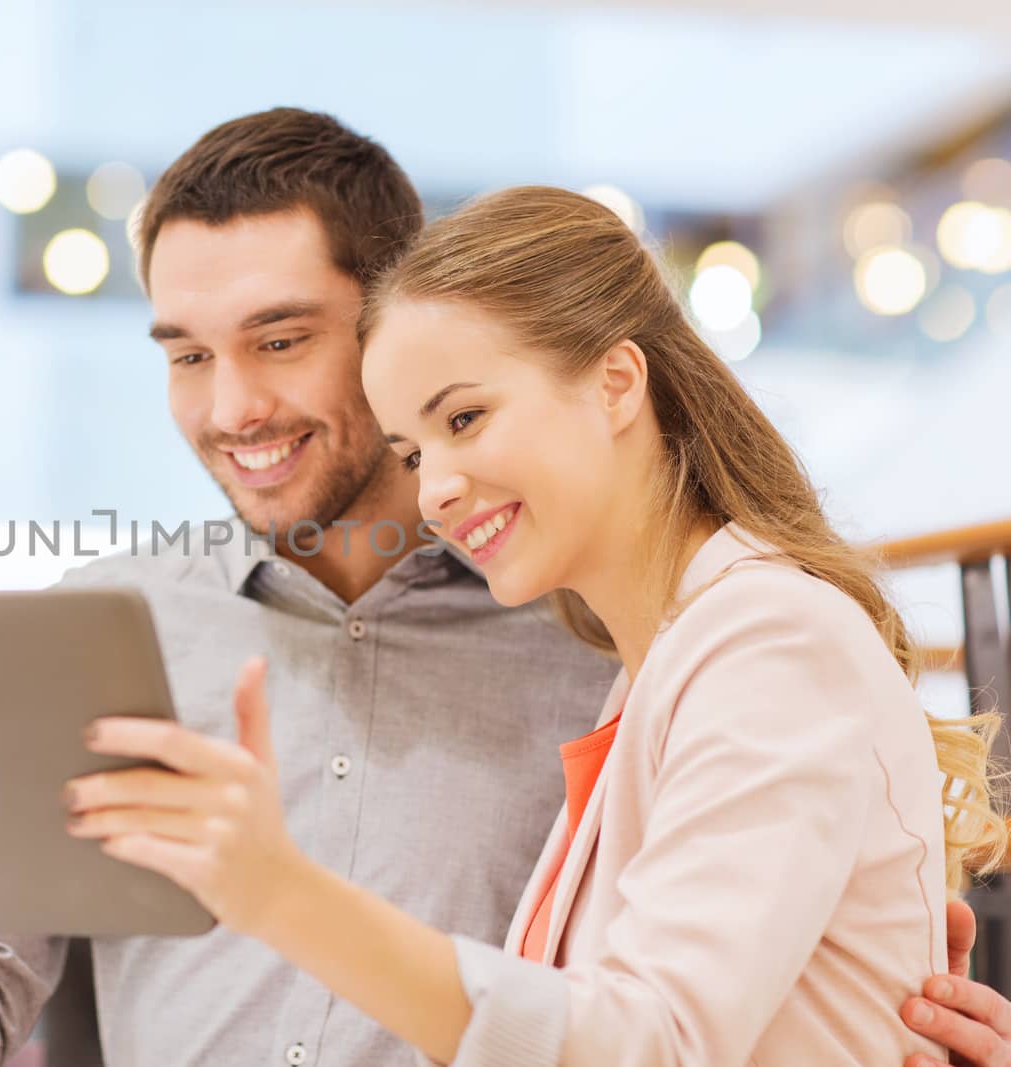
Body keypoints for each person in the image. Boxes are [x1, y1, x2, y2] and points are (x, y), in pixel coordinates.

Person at [0, 108, 1011, 1067]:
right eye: (187, 353)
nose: (232, 405)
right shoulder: (105, 624)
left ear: (397, 316)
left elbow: (654, 1022)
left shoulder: (611, 635)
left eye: (282, 339)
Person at [62, 184, 1007, 1065]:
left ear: (616, 382)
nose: (434, 489)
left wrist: (279, 893)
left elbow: (651, 1039)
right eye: (412, 449)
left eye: (465, 419)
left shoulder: (766, 638)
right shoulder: (658, 666)